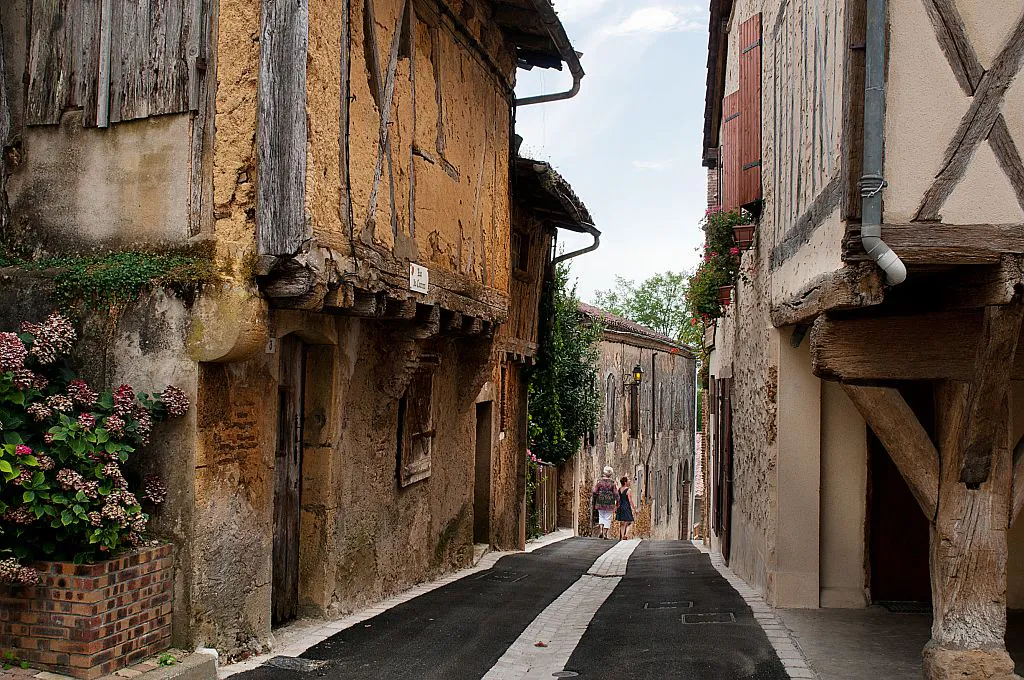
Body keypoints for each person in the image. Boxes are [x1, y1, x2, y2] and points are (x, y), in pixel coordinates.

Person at [592, 467, 617, 539]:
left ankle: (601, 531)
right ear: (610, 474)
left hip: (600, 501)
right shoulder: (613, 483)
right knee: (607, 518)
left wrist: (597, 496)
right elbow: (616, 493)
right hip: (609, 502)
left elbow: (594, 491)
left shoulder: (599, 482)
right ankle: (605, 533)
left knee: (601, 516)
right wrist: (618, 501)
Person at [615, 476, 635, 540]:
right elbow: (630, 500)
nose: (629, 481)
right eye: (628, 480)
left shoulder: (619, 489)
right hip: (626, 506)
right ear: (625, 482)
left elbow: (618, 499)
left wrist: (616, 507)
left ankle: (622, 535)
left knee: (622, 523)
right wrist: (634, 508)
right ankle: (626, 534)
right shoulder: (628, 490)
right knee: (629, 521)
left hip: (620, 506)